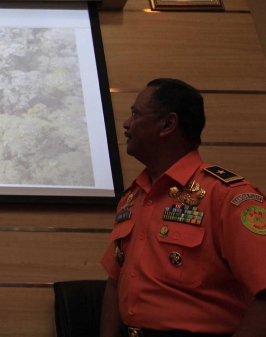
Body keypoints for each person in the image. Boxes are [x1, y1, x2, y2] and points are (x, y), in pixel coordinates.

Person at [100, 79, 266, 337]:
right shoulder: (133, 196)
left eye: (135, 114)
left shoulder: (227, 196)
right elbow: (115, 281)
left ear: (167, 124)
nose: (126, 123)